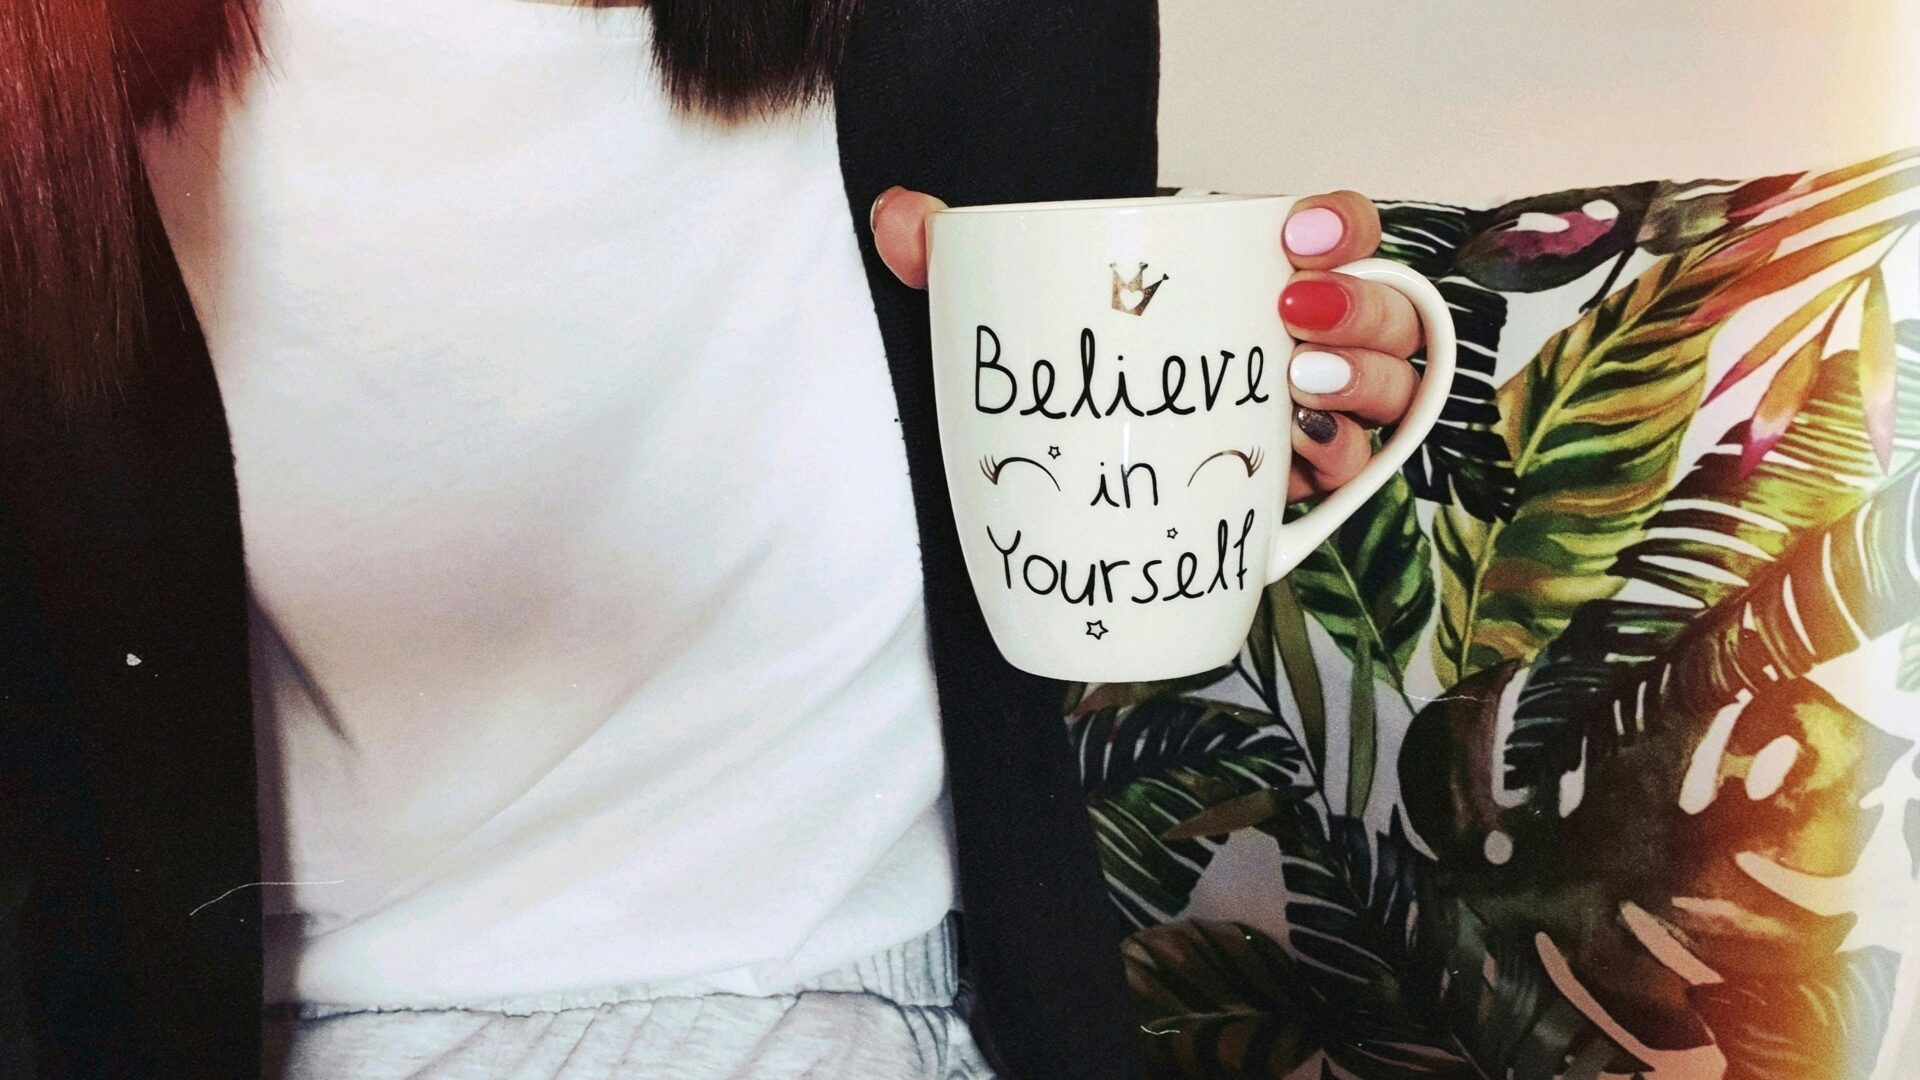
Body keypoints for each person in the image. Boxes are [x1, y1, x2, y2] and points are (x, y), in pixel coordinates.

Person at [0, 1, 1428, 1077]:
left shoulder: (983, 27)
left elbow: (1048, 488)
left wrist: (1225, 430)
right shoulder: (51, 79)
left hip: (851, 1010)